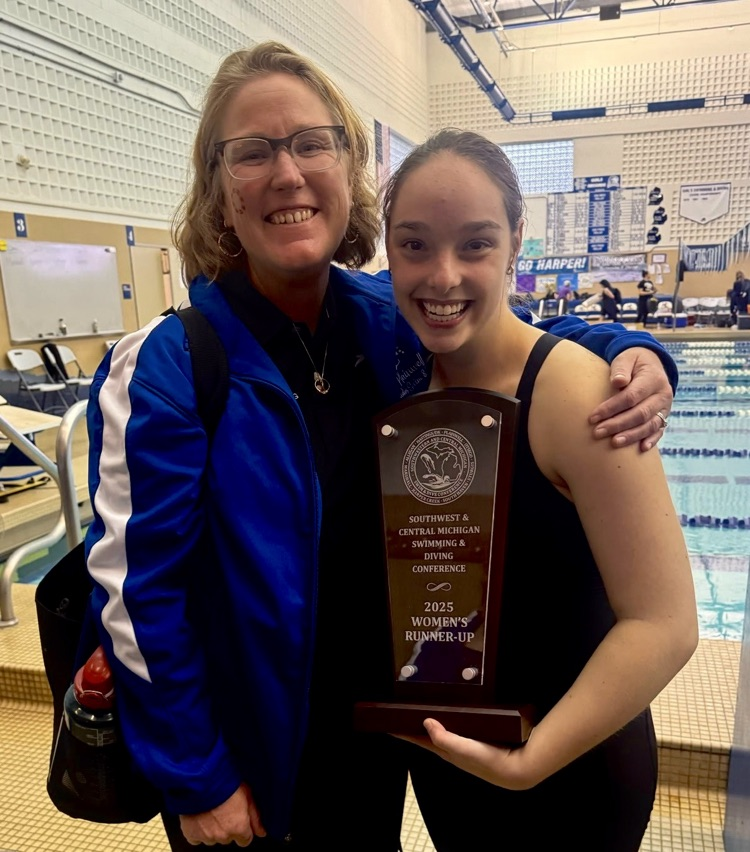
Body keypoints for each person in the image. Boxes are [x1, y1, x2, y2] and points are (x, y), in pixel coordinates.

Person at [84, 43, 678, 851]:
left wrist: (630, 351)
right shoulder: (168, 366)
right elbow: (134, 595)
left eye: (311, 143)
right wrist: (199, 776)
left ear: (347, 168)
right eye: (252, 152)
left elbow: (509, 339)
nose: (287, 173)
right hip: (253, 761)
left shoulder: (383, 319)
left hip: (382, 739)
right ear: (219, 191)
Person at [382, 128, 697, 852]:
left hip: (572, 769)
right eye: (416, 244)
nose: (444, 276)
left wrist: (532, 763)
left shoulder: (576, 394)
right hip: (450, 760)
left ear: (517, 241)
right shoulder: (405, 378)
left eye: (476, 244)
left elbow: (665, 623)